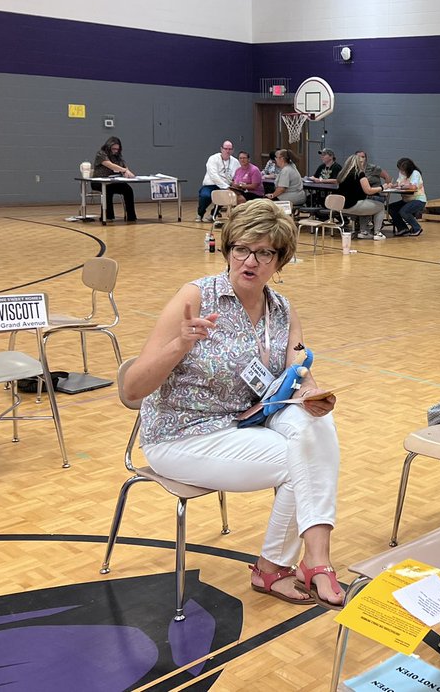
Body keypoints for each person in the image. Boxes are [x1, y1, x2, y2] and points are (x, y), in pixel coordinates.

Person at [123, 200, 344, 608]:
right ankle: (280, 566)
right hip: (182, 434)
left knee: (316, 430)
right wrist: (181, 343)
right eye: (241, 248)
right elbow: (133, 389)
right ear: (226, 248)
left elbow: (298, 362)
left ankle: (313, 559)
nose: (250, 261)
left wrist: (310, 389)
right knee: (304, 460)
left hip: (248, 423)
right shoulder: (196, 296)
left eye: (265, 253)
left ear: (280, 259)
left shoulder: (282, 309)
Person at [336, 152, 387, 240]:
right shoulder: (360, 174)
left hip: (341, 206)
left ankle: (364, 232)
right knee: (381, 206)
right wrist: (382, 187)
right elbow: (368, 190)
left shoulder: (342, 174)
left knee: (366, 205)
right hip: (353, 205)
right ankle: (377, 233)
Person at [92, 135, 138, 222]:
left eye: (117, 149)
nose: (115, 151)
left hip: (113, 181)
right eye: (113, 149)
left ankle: (131, 216)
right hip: (98, 182)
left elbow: (124, 167)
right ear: (109, 147)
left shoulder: (118, 156)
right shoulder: (101, 154)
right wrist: (124, 170)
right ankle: (107, 216)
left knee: (128, 190)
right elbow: (111, 166)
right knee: (107, 190)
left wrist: (127, 172)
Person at [197, 141, 236, 222]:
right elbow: (213, 175)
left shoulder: (235, 162)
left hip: (226, 186)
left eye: (230, 149)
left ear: (232, 150)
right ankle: (200, 214)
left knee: (224, 196)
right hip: (210, 185)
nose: (227, 151)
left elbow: (237, 175)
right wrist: (225, 187)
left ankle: (213, 215)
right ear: (221, 149)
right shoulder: (213, 158)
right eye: (225, 149)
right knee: (205, 196)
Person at [387, 157, 427, 237]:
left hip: (418, 200)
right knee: (391, 208)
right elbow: (398, 183)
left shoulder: (415, 173)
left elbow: (413, 187)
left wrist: (402, 186)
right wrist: (391, 185)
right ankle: (402, 228)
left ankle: (417, 228)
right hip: (407, 200)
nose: (401, 172)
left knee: (404, 211)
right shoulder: (402, 173)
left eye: (403, 170)